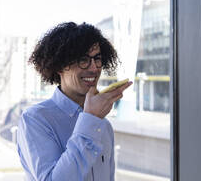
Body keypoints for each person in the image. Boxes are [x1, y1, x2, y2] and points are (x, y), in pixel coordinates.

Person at [17, 22, 132, 181]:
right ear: (59, 66)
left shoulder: (104, 126)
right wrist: (90, 119)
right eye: (83, 60)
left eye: (97, 59)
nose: (94, 68)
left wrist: (93, 119)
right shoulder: (35, 119)